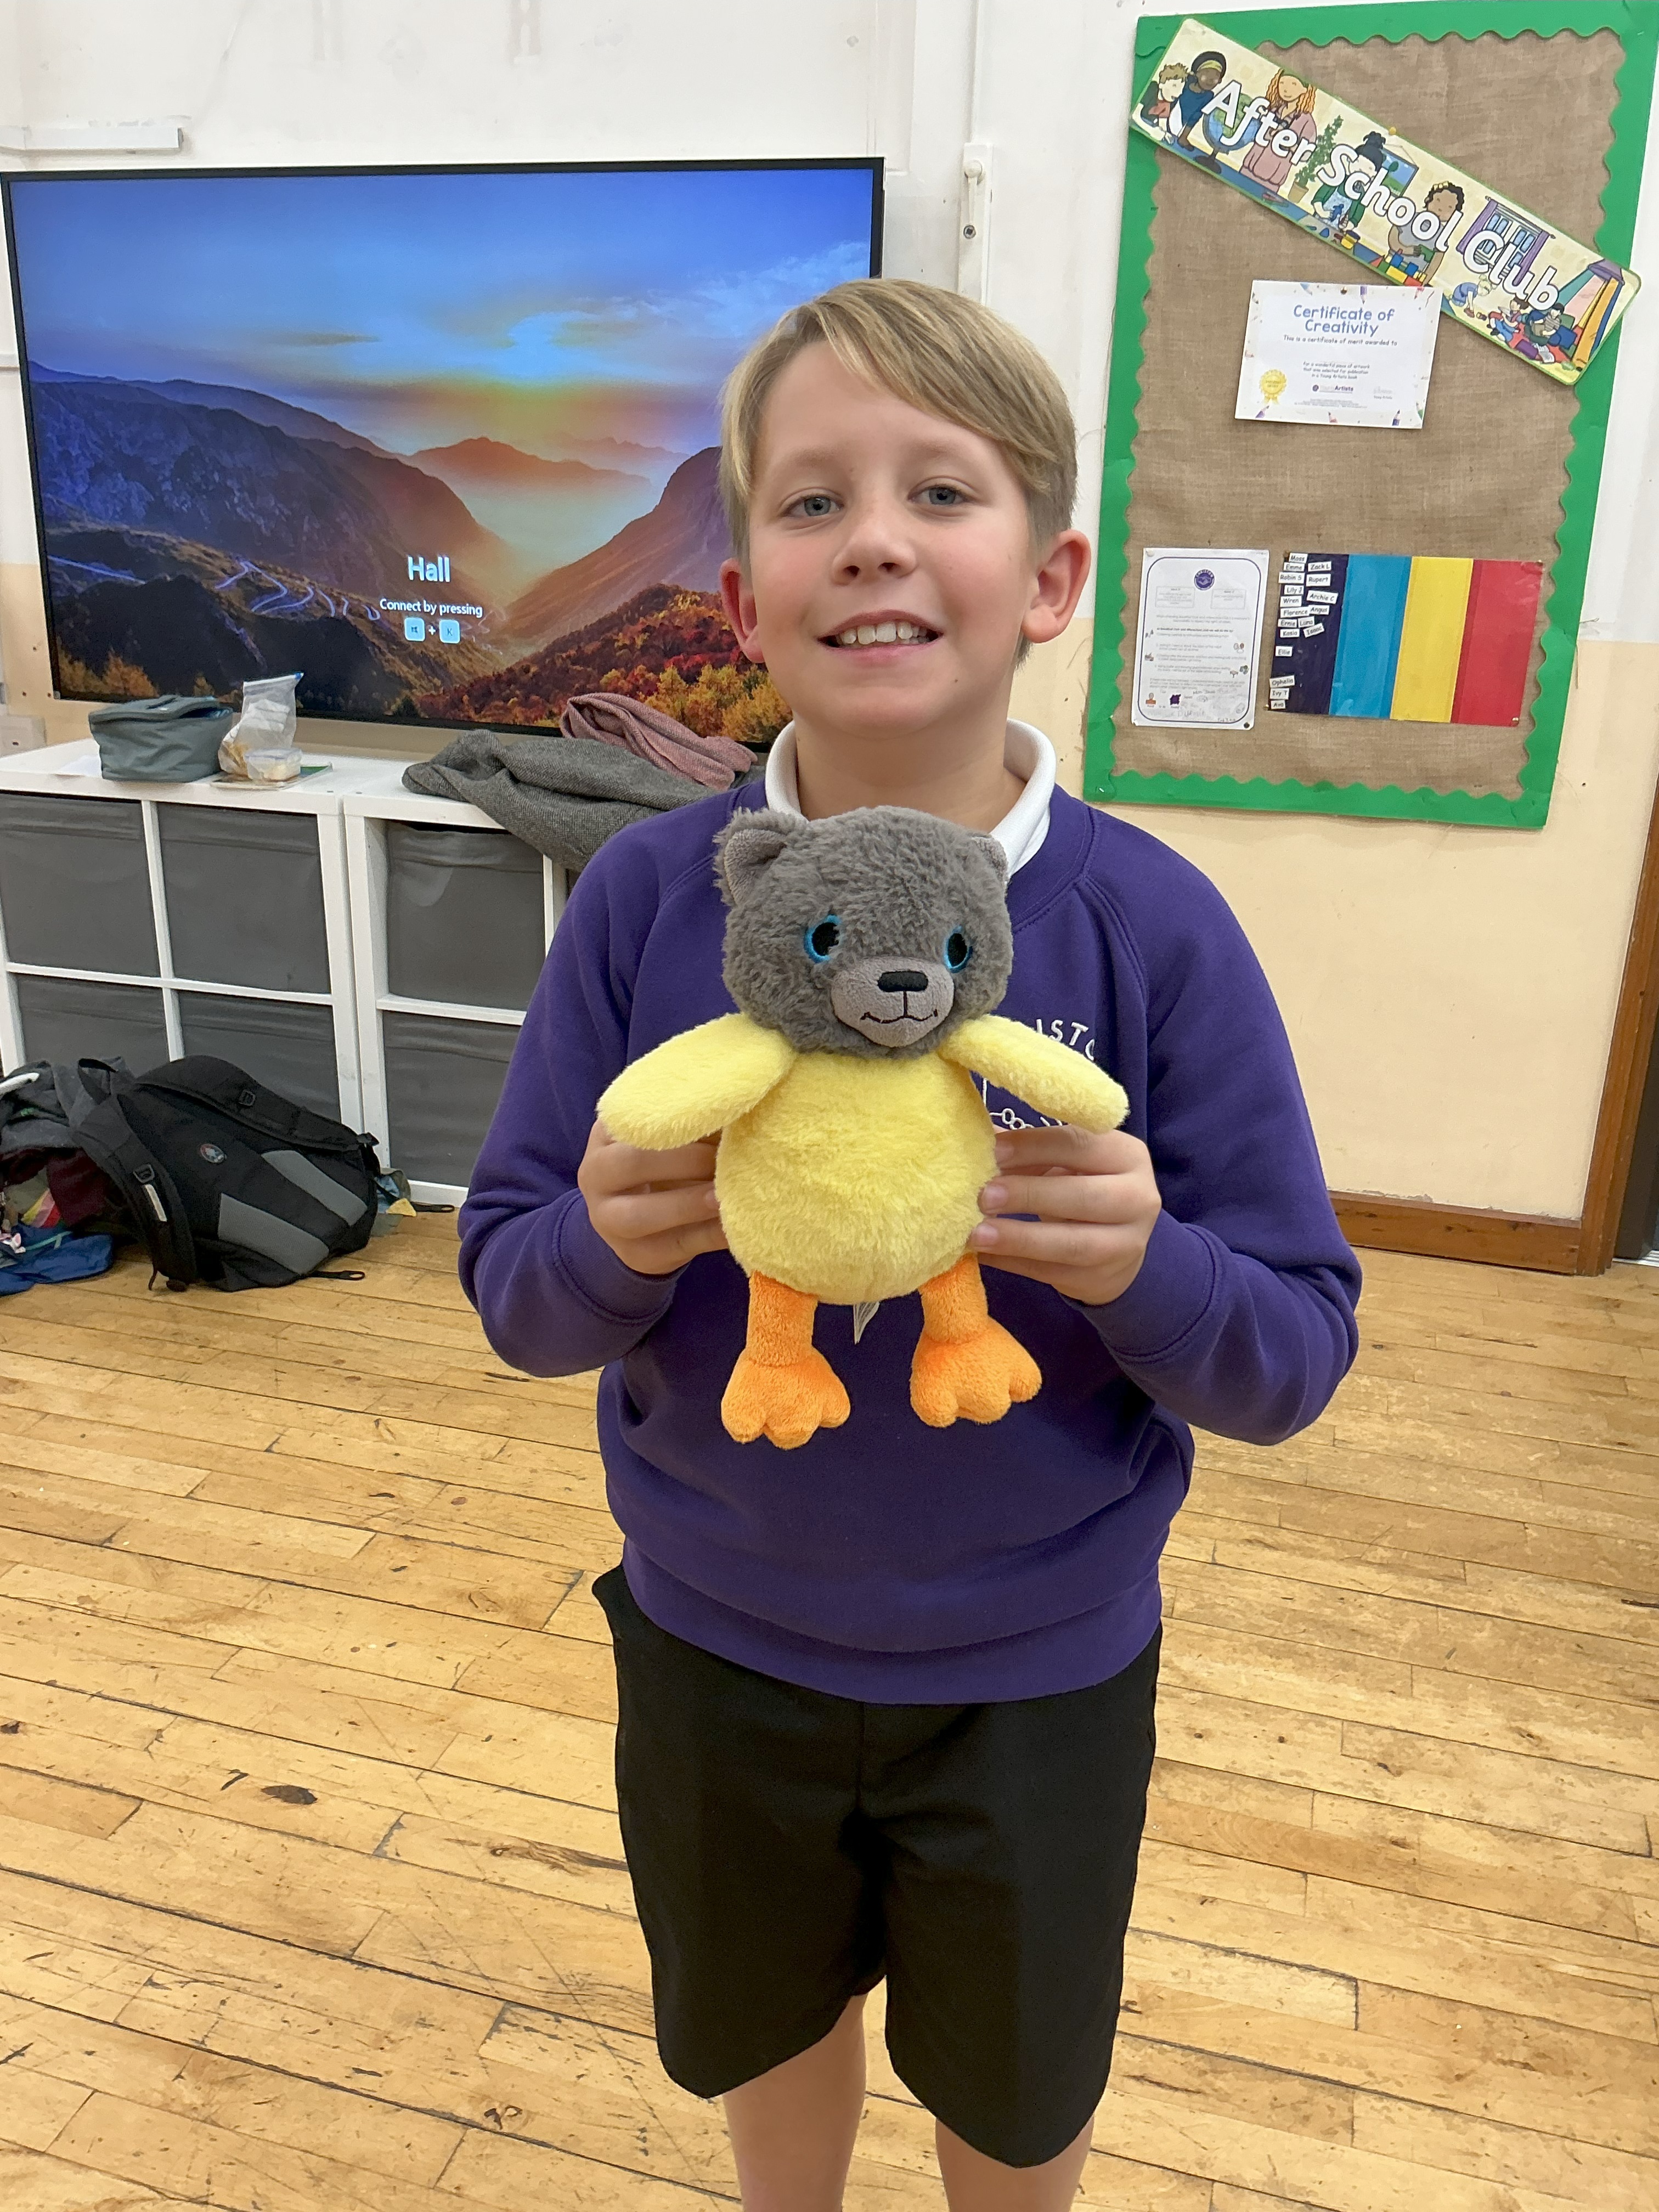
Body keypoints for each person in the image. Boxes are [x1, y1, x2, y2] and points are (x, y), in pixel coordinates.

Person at [460, 276, 1361, 2212]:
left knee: (1017, 2089)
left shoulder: (1155, 930)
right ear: (740, 604)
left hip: (1040, 1671)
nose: (872, 536)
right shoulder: (644, 905)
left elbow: (1294, 1354)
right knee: (759, 2023)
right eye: (813, 501)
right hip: (711, 1639)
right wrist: (606, 1245)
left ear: (1047, 581)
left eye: (938, 491)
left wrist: (1145, 1266)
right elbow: (511, 1291)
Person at [1238, 69, 1318, 193]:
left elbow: (1306, 155)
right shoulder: (1274, 110)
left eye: (1293, 84)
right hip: (1247, 169)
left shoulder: (1307, 122)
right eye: (1282, 83)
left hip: (1271, 182)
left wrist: (1287, 142)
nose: (1286, 89)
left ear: (1305, 90)